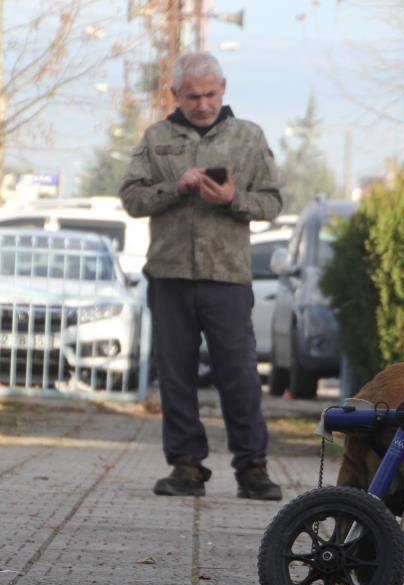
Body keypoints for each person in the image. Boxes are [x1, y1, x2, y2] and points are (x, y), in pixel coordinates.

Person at [119, 51, 283, 501]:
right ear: (176, 95)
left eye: (211, 94)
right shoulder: (156, 138)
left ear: (223, 88)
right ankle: (186, 466)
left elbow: (272, 202)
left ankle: (253, 469)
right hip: (170, 276)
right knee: (175, 376)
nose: (204, 104)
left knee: (240, 376)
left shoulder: (249, 138)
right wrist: (177, 187)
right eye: (193, 96)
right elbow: (131, 198)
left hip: (227, 277)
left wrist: (233, 198)